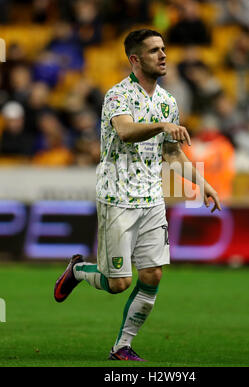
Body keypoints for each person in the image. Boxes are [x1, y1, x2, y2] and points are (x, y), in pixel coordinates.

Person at [54, 29, 221, 361]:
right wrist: (161, 126)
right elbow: (126, 131)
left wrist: (202, 183)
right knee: (119, 284)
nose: (163, 55)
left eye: (164, 49)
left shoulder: (167, 101)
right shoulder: (118, 95)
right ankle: (77, 271)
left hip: (152, 198)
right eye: (154, 50)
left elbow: (172, 153)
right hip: (117, 196)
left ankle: (122, 346)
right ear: (135, 59)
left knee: (153, 274)